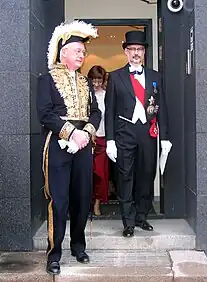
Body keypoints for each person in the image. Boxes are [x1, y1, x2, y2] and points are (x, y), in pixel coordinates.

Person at [36, 20, 101, 275]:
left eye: (83, 52)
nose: (82, 55)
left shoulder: (85, 82)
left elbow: (95, 112)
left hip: (83, 145)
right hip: (59, 144)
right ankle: (54, 253)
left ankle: (78, 246)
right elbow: (44, 113)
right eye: (78, 50)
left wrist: (85, 132)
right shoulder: (47, 79)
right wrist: (71, 132)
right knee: (59, 200)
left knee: (82, 198)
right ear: (64, 52)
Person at [105, 30, 172, 237]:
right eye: (132, 49)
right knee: (126, 176)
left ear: (144, 52)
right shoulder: (115, 77)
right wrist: (110, 140)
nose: (136, 53)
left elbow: (162, 107)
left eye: (140, 49)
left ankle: (142, 216)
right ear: (125, 51)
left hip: (147, 132)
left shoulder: (155, 76)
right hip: (124, 131)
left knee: (146, 174)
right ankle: (128, 222)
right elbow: (110, 110)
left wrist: (166, 137)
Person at [87, 65, 109, 216]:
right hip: (86, 139)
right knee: (87, 174)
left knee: (101, 173)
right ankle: (85, 202)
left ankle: (97, 204)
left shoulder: (107, 95)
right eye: (93, 80)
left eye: (99, 80)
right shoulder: (84, 95)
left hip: (103, 137)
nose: (96, 84)